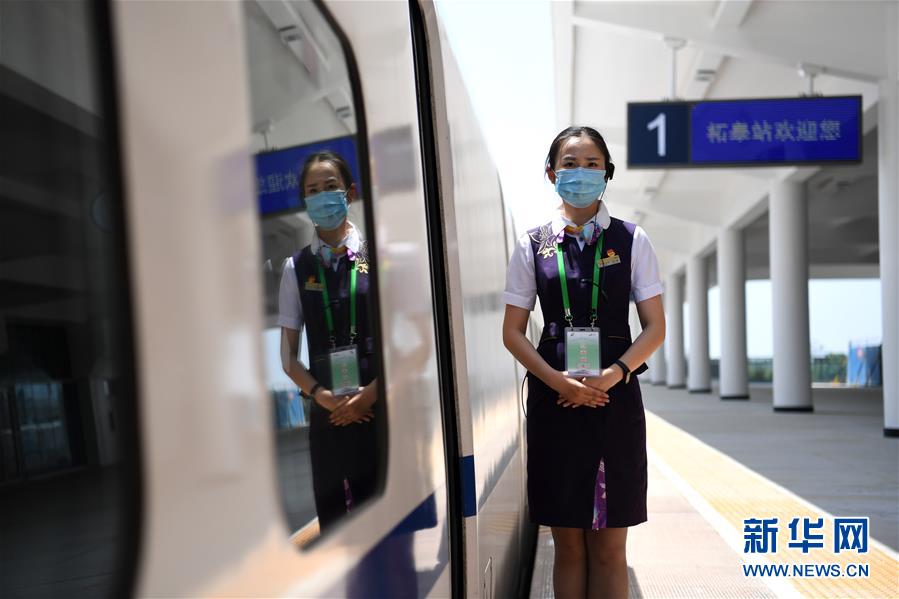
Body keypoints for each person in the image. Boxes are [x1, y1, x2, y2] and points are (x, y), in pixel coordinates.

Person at [502, 126, 666, 598]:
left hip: (616, 401)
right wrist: (559, 383)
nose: (581, 173)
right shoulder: (532, 245)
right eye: (570, 164)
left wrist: (613, 375)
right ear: (551, 173)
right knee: (569, 546)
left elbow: (655, 327)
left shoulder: (632, 240)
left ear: (607, 173)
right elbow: (512, 332)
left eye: (592, 164)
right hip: (554, 404)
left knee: (611, 549)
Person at [278, 150, 380, 532]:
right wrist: (322, 397)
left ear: (349, 193)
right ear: (306, 202)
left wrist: (370, 395)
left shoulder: (379, 256)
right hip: (327, 417)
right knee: (337, 530)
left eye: (330, 186)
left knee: (385, 528)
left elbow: (410, 344)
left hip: (378, 409)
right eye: (313, 190)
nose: (322, 196)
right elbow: (288, 358)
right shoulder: (295, 268)